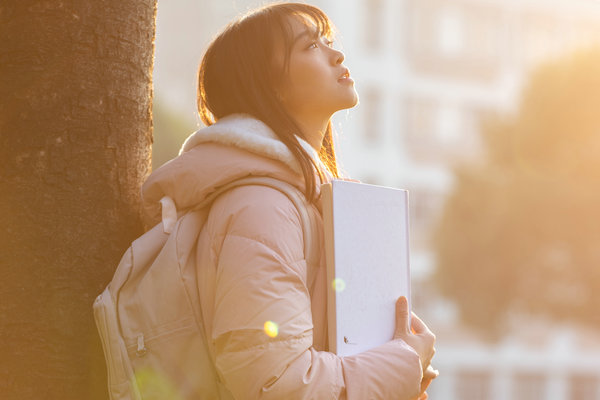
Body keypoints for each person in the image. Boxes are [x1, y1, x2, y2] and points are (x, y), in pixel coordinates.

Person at [142, 2, 437, 399]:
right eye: (310, 46)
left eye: (328, 41)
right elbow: (273, 384)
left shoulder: (308, 200)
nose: (337, 54)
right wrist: (402, 363)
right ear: (268, 83)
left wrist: (400, 370)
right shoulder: (261, 206)